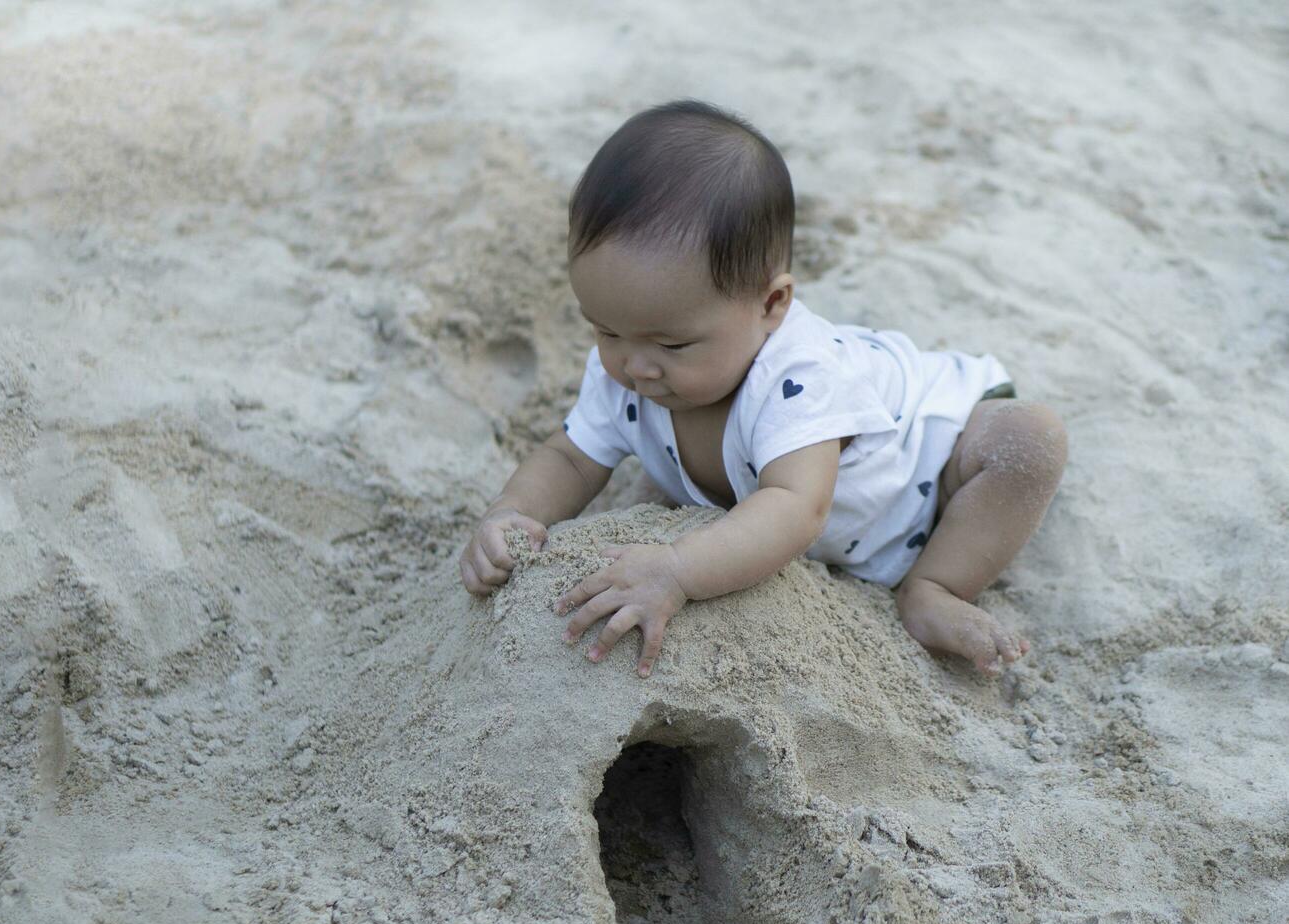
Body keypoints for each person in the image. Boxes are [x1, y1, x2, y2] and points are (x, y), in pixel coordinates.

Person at [458, 98, 1068, 679]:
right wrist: (513, 512)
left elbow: (796, 508)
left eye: (672, 345)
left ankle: (935, 587)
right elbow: (569, 456)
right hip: (818, 496)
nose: (636, 367)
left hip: (927, 468)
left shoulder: (797, 379)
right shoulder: (630, 364)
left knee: (1029, 441)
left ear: (771, 305)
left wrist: (678, 569)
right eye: (605, 329)